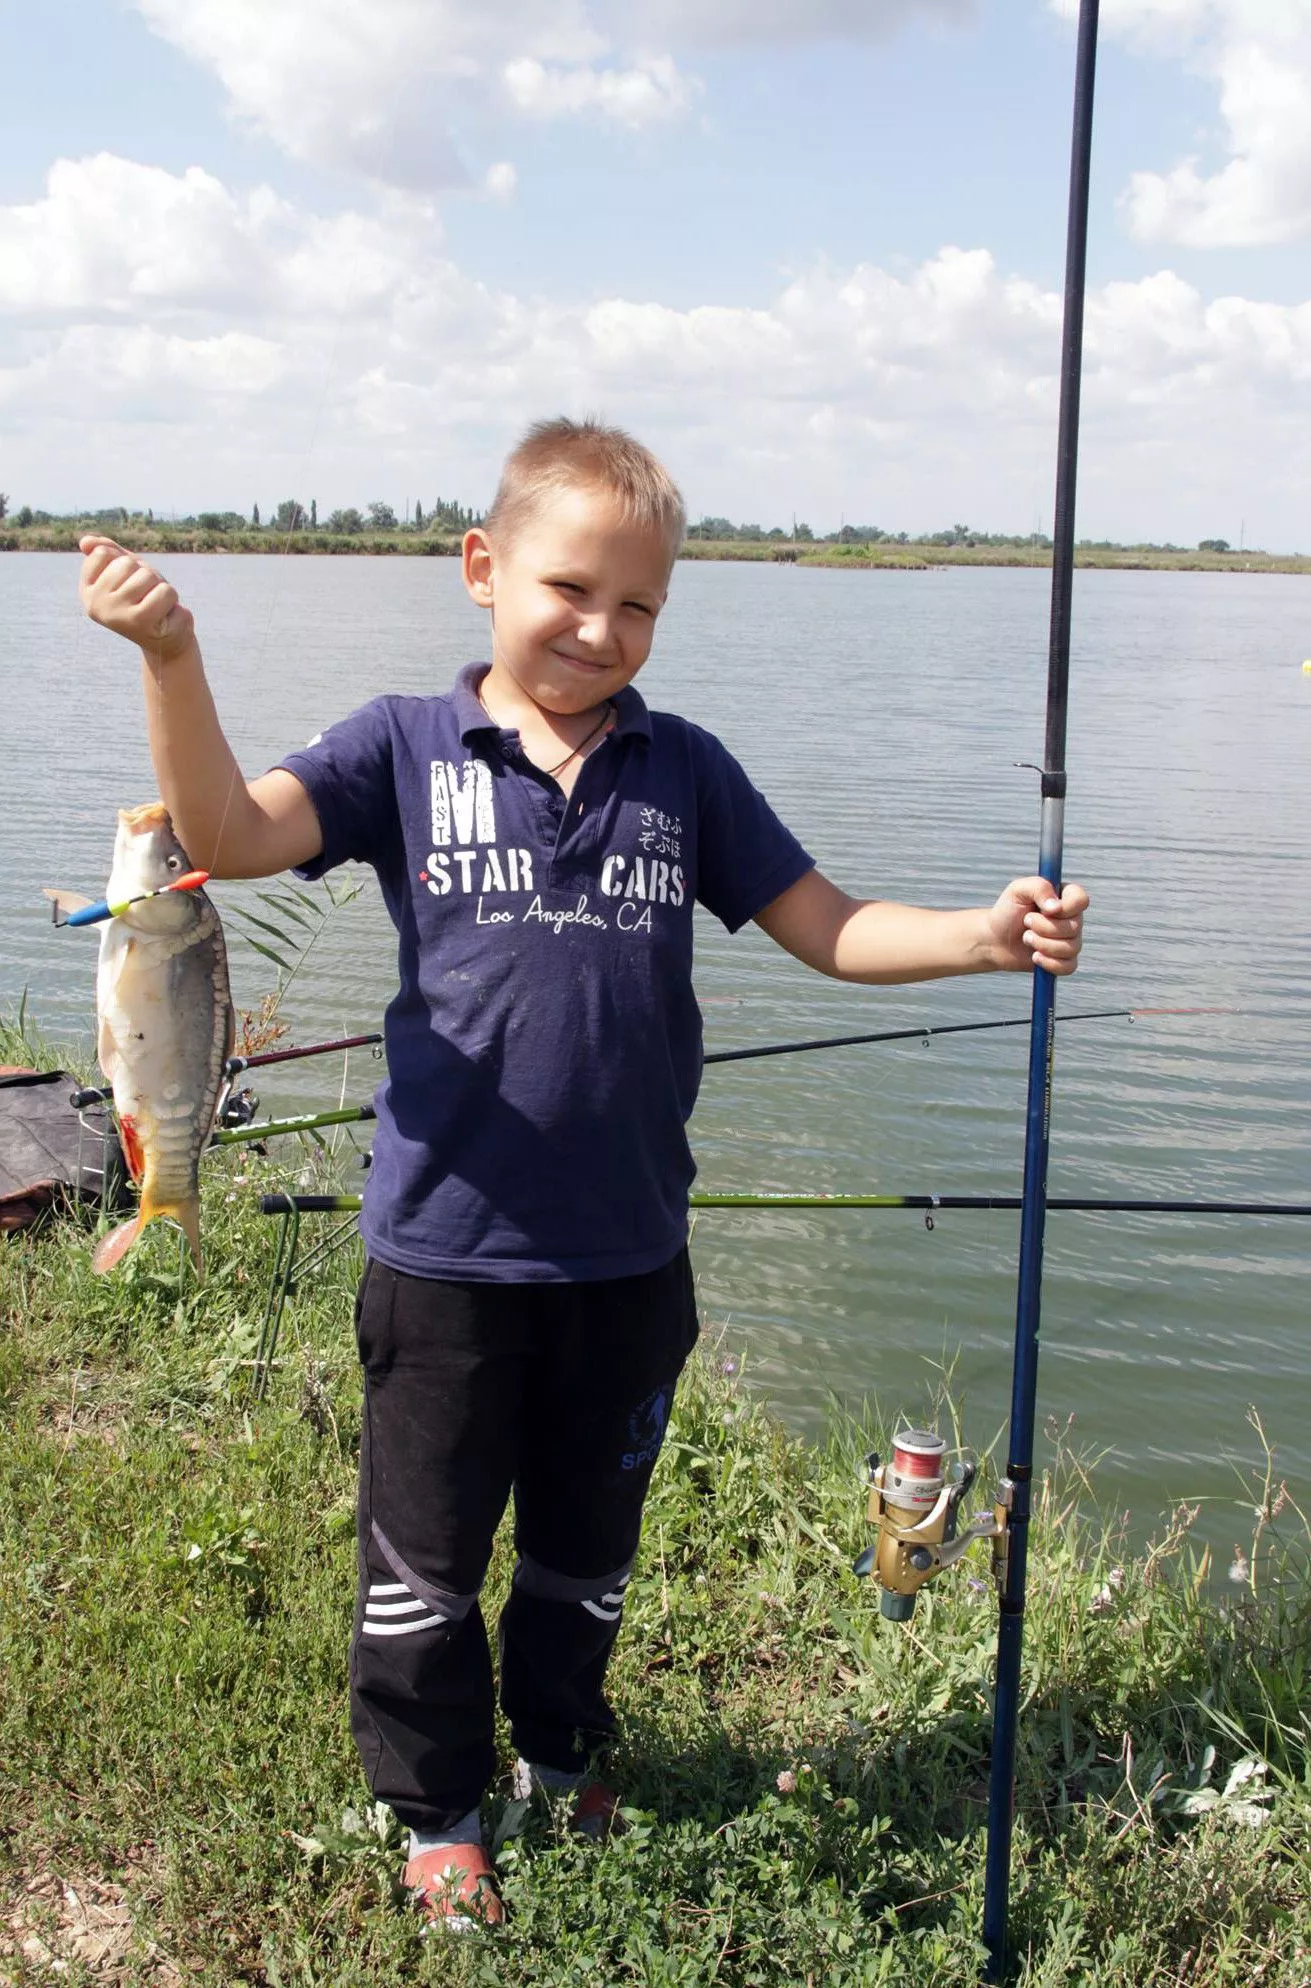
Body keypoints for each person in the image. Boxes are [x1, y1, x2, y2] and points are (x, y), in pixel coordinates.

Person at [78, 417, 1088, 1931]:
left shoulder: (686, 772)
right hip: (442, 1260)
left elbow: (828, 927)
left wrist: (981, 936)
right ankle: (436, 1807)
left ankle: (557, 1751)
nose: (601, 630)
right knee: (421, 1568)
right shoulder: (399, 746)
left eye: (638, 606)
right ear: (482, 569)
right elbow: (226, 830)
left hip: (626, 1260)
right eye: (568, 589)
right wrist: (171, 656)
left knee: (582, 1560)